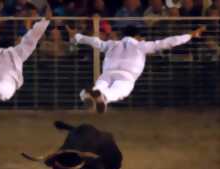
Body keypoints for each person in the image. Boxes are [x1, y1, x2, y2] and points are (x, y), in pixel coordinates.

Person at [74, 25, 206, 113]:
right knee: (119, 91)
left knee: (99, 86)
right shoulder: (141, 45)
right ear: (137, 36)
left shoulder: (112, 44)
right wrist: (190, 35)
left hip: (107, 73)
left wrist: (77, 37)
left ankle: (87, 94)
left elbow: (95, 42)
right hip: (126, 75)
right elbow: (168, 42)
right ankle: (103, 97)